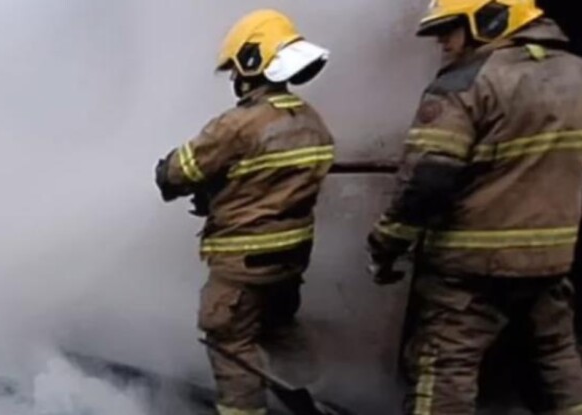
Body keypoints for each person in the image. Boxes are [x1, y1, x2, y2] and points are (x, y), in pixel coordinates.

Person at [367, 1, 582, 413]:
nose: (443, 43)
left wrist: (385, 244)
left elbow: (427, 181)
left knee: (444, 365)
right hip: (552, 261)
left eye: (449, 30)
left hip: (471, 270)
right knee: (556, 357)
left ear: (490, 20)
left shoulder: (466, 83)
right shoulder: (575, 72)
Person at [154, 9, 333, 415]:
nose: (235, 78)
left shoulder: (238, 125)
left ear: (252, 62)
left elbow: (178, 173)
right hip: (289, 261)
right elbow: (268, 182)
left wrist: (168, 174)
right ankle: (306, 405)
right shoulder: (312, 121)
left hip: (242, 264)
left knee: (230, 344)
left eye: (236, 68)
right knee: (278, 331)